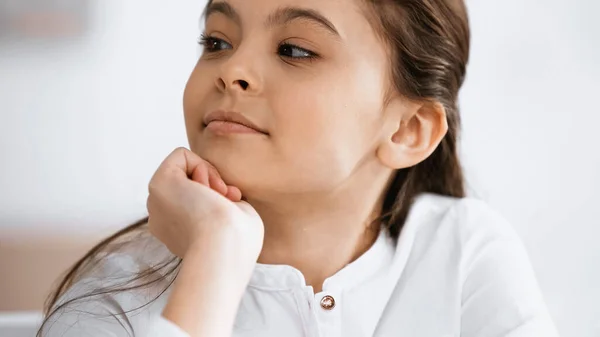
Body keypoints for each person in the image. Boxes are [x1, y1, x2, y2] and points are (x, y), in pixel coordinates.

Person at [37, 0, 560, 336]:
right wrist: (214, 259)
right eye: (217, 42)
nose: (233, 70)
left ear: (408, 131)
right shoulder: (112, 303)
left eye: (295, 49)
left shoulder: (464, 252)